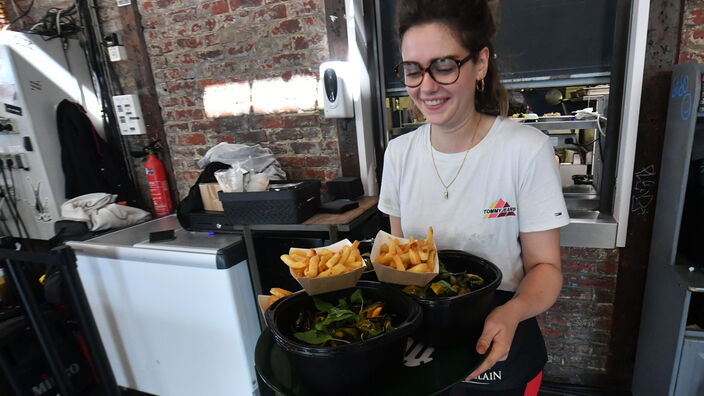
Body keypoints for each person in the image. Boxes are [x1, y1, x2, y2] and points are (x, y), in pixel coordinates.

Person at [378, 1, 570, 395]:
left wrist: (512, 311)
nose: (426, 86)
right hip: (422, 339)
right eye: (413, 70)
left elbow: (547, 268)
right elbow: (396, 263)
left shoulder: (525, 149)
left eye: (444, 65)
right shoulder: (399, 154)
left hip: (503, 333)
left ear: (480, 63)